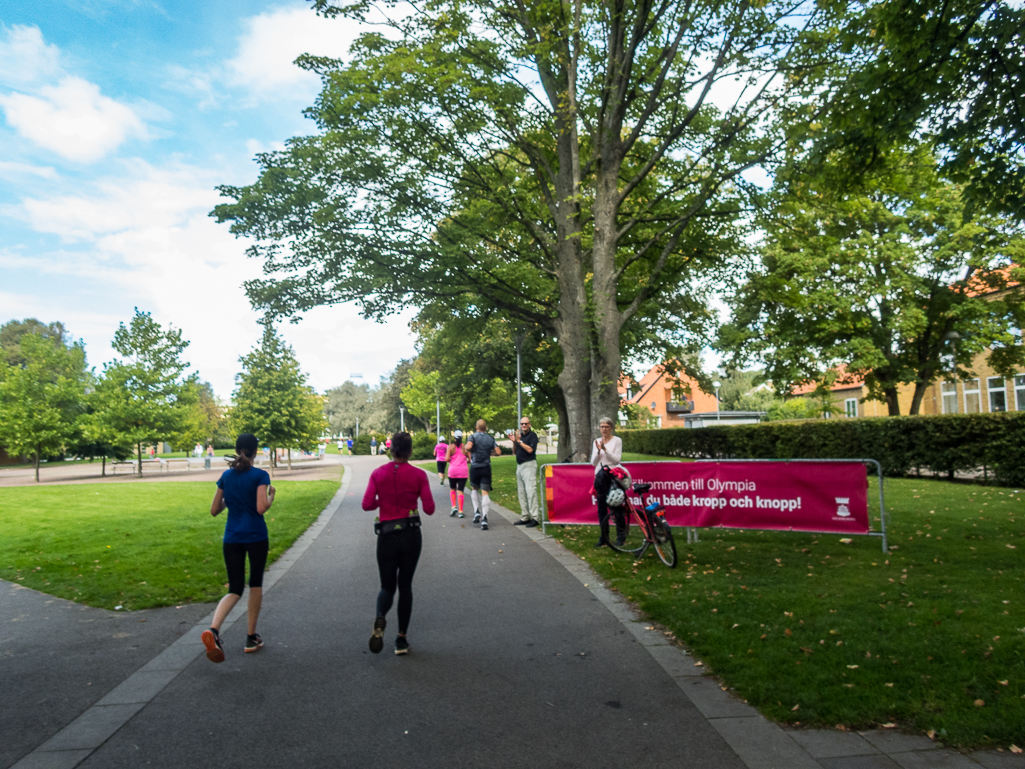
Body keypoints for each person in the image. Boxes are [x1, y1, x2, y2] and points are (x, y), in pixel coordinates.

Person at [202, 433, 275, 663]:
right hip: (255, 536)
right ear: (255, 452)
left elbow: (215, 509)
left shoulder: (226, 476)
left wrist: (231, 500)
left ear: (236, 450)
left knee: (234, 588)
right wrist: (272, 496)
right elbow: (261, 507)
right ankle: (251, 637)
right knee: (255, 583)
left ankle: (213, 630)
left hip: (232, 538)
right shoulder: (260, 475)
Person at [361, 432, 435, 655]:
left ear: (391, 450)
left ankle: (381, 616)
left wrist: (382, 502)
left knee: (386, 586)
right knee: (405, 586)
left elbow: (366, 504)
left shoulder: (378, 474)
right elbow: (430, 509)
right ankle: (401, 639)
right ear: (410, 451)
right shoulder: (419, 475)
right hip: (410, 534)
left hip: (386, 535)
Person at [590, 416, 627, 548]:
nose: (604, 429)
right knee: (601, 509)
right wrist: (599, 451)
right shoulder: (597, 441)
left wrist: (606, 450)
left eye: (606, 426)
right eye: (602, 426)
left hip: (613, 476)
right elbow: (593, 462)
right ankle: (604, 537)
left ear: (611, 428)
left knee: (617, 507)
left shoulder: (617, 440)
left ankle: (621, 537)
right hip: (600, 478)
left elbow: (616, 460)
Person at [466, 419, 501, 531]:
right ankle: (484, 517)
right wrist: (489, 452)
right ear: (485, 428)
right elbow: (498, 452)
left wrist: (470, 448)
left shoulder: (473, 437)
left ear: (476, 427)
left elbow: (468, 447)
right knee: (485, 492)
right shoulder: (490, 438)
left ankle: (477, 511)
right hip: (486, 467)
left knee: (474, 488)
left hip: (475, 467)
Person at [511, 416, 540, 528]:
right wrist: (514, 442)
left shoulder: (532, 436)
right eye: (522, 424)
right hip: (520, 466)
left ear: (530, 425)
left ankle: (535, 517)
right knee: (521, 493)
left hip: (529, 465)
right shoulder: (520, 436)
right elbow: (514, 451)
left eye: (526, 424)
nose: (523, 426)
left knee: (530, 491)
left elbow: (530, 449)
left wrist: (519, 441)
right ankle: (525, 516)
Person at [445, 431, 468, 517]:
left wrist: (452, 461)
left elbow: (446, 458)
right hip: (463, 471)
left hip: (453, 471)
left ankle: (454, 506)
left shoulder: (450, 447)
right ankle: (461, 511)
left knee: (452, 489)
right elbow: (470, 458)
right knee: (460, 491)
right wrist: (465, 461)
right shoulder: (465, 447)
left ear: (454, 438)